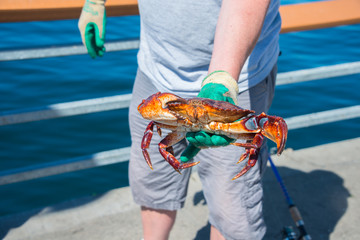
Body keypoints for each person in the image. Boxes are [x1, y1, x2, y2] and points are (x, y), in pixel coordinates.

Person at [79, 0, 281, 239]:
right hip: (157, 75)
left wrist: (223, 79)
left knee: (232, 208)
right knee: (153, 185)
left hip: (237, 79)